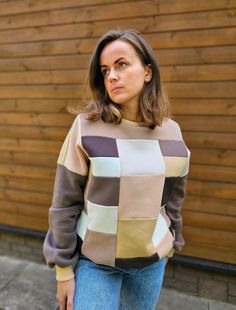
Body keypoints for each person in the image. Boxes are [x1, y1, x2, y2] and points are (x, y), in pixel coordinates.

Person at [43, 28, 191, 310]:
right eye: (105, 69)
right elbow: (64, 202)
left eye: (121, 64)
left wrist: (172, 243)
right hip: (95, 263)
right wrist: (63, 270)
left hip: (151, 264)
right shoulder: (86, 127)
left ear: (147, 72)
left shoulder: (172, 133)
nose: (111, 75)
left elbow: (173, 199)